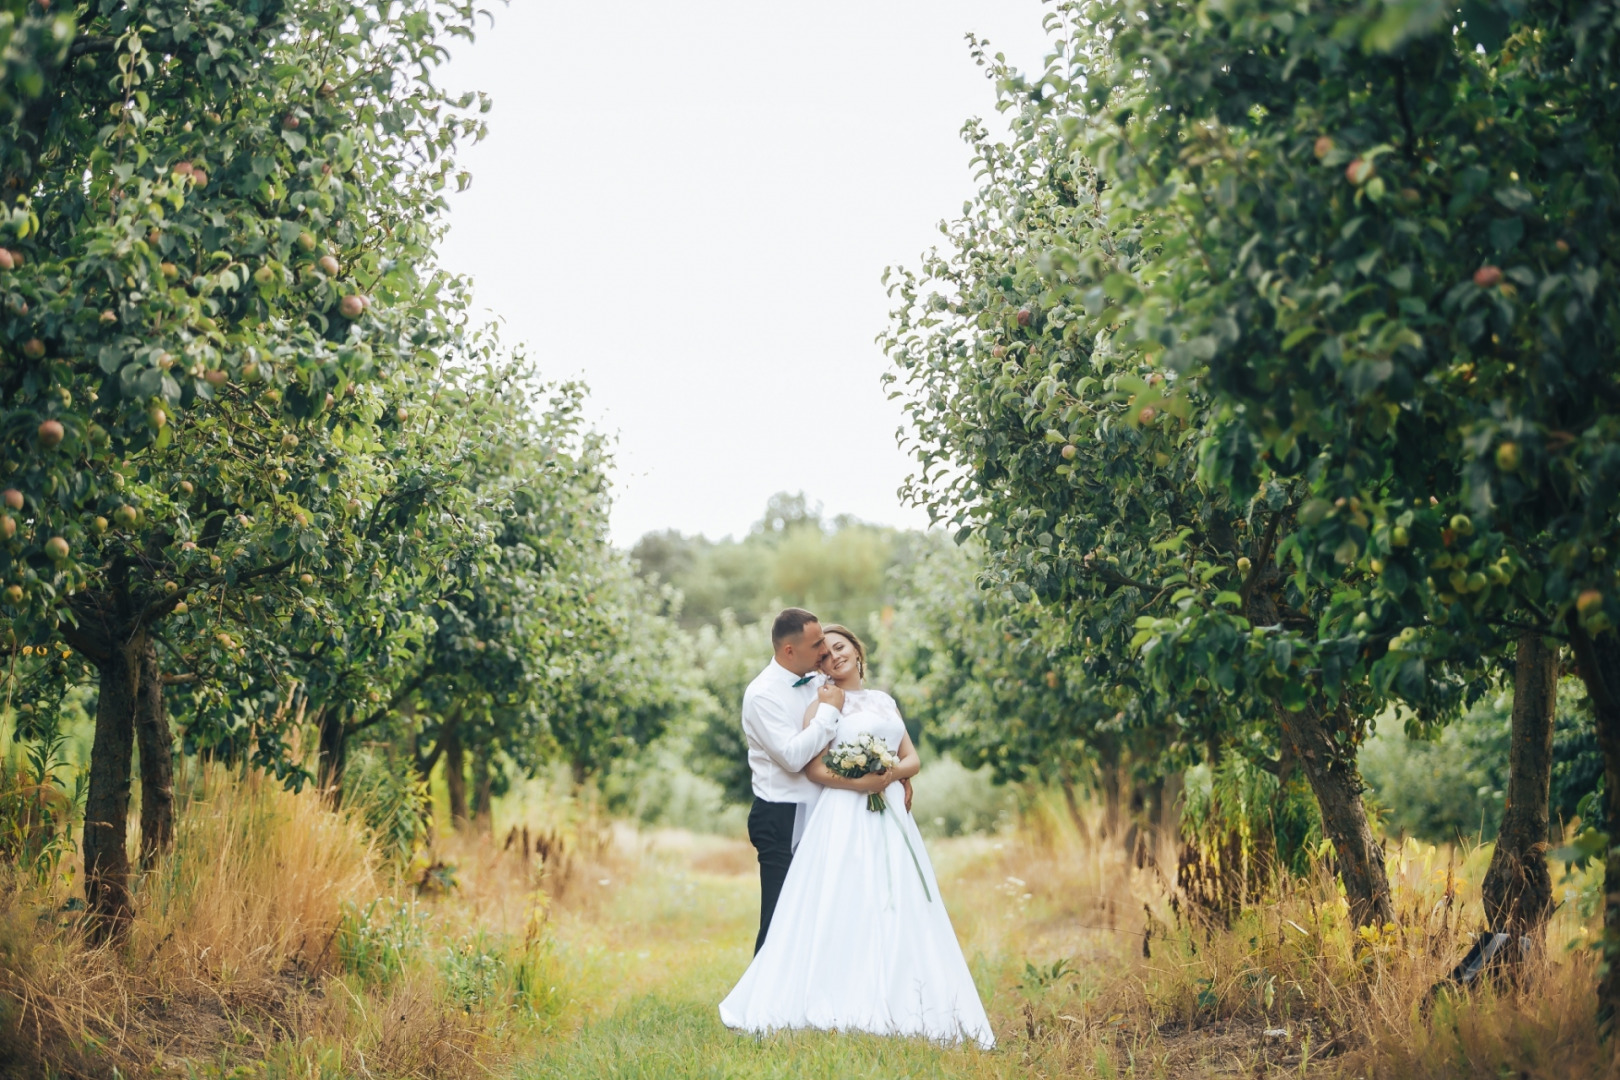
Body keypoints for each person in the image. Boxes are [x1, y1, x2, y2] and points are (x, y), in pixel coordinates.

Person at [721, 623, 995, 1048]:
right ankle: (832, 992)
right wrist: (861, 784)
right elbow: (811, 768)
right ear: (820, 665)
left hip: (890, 817)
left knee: (896, 899)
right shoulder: (822, 702)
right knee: (842, 898)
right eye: (826, 654)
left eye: (840, 647)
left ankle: (905, 991)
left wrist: (889, 775)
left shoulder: (884, 700)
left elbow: (912, 758)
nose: (834, 657)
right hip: (842, 813)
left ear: (857, 649)